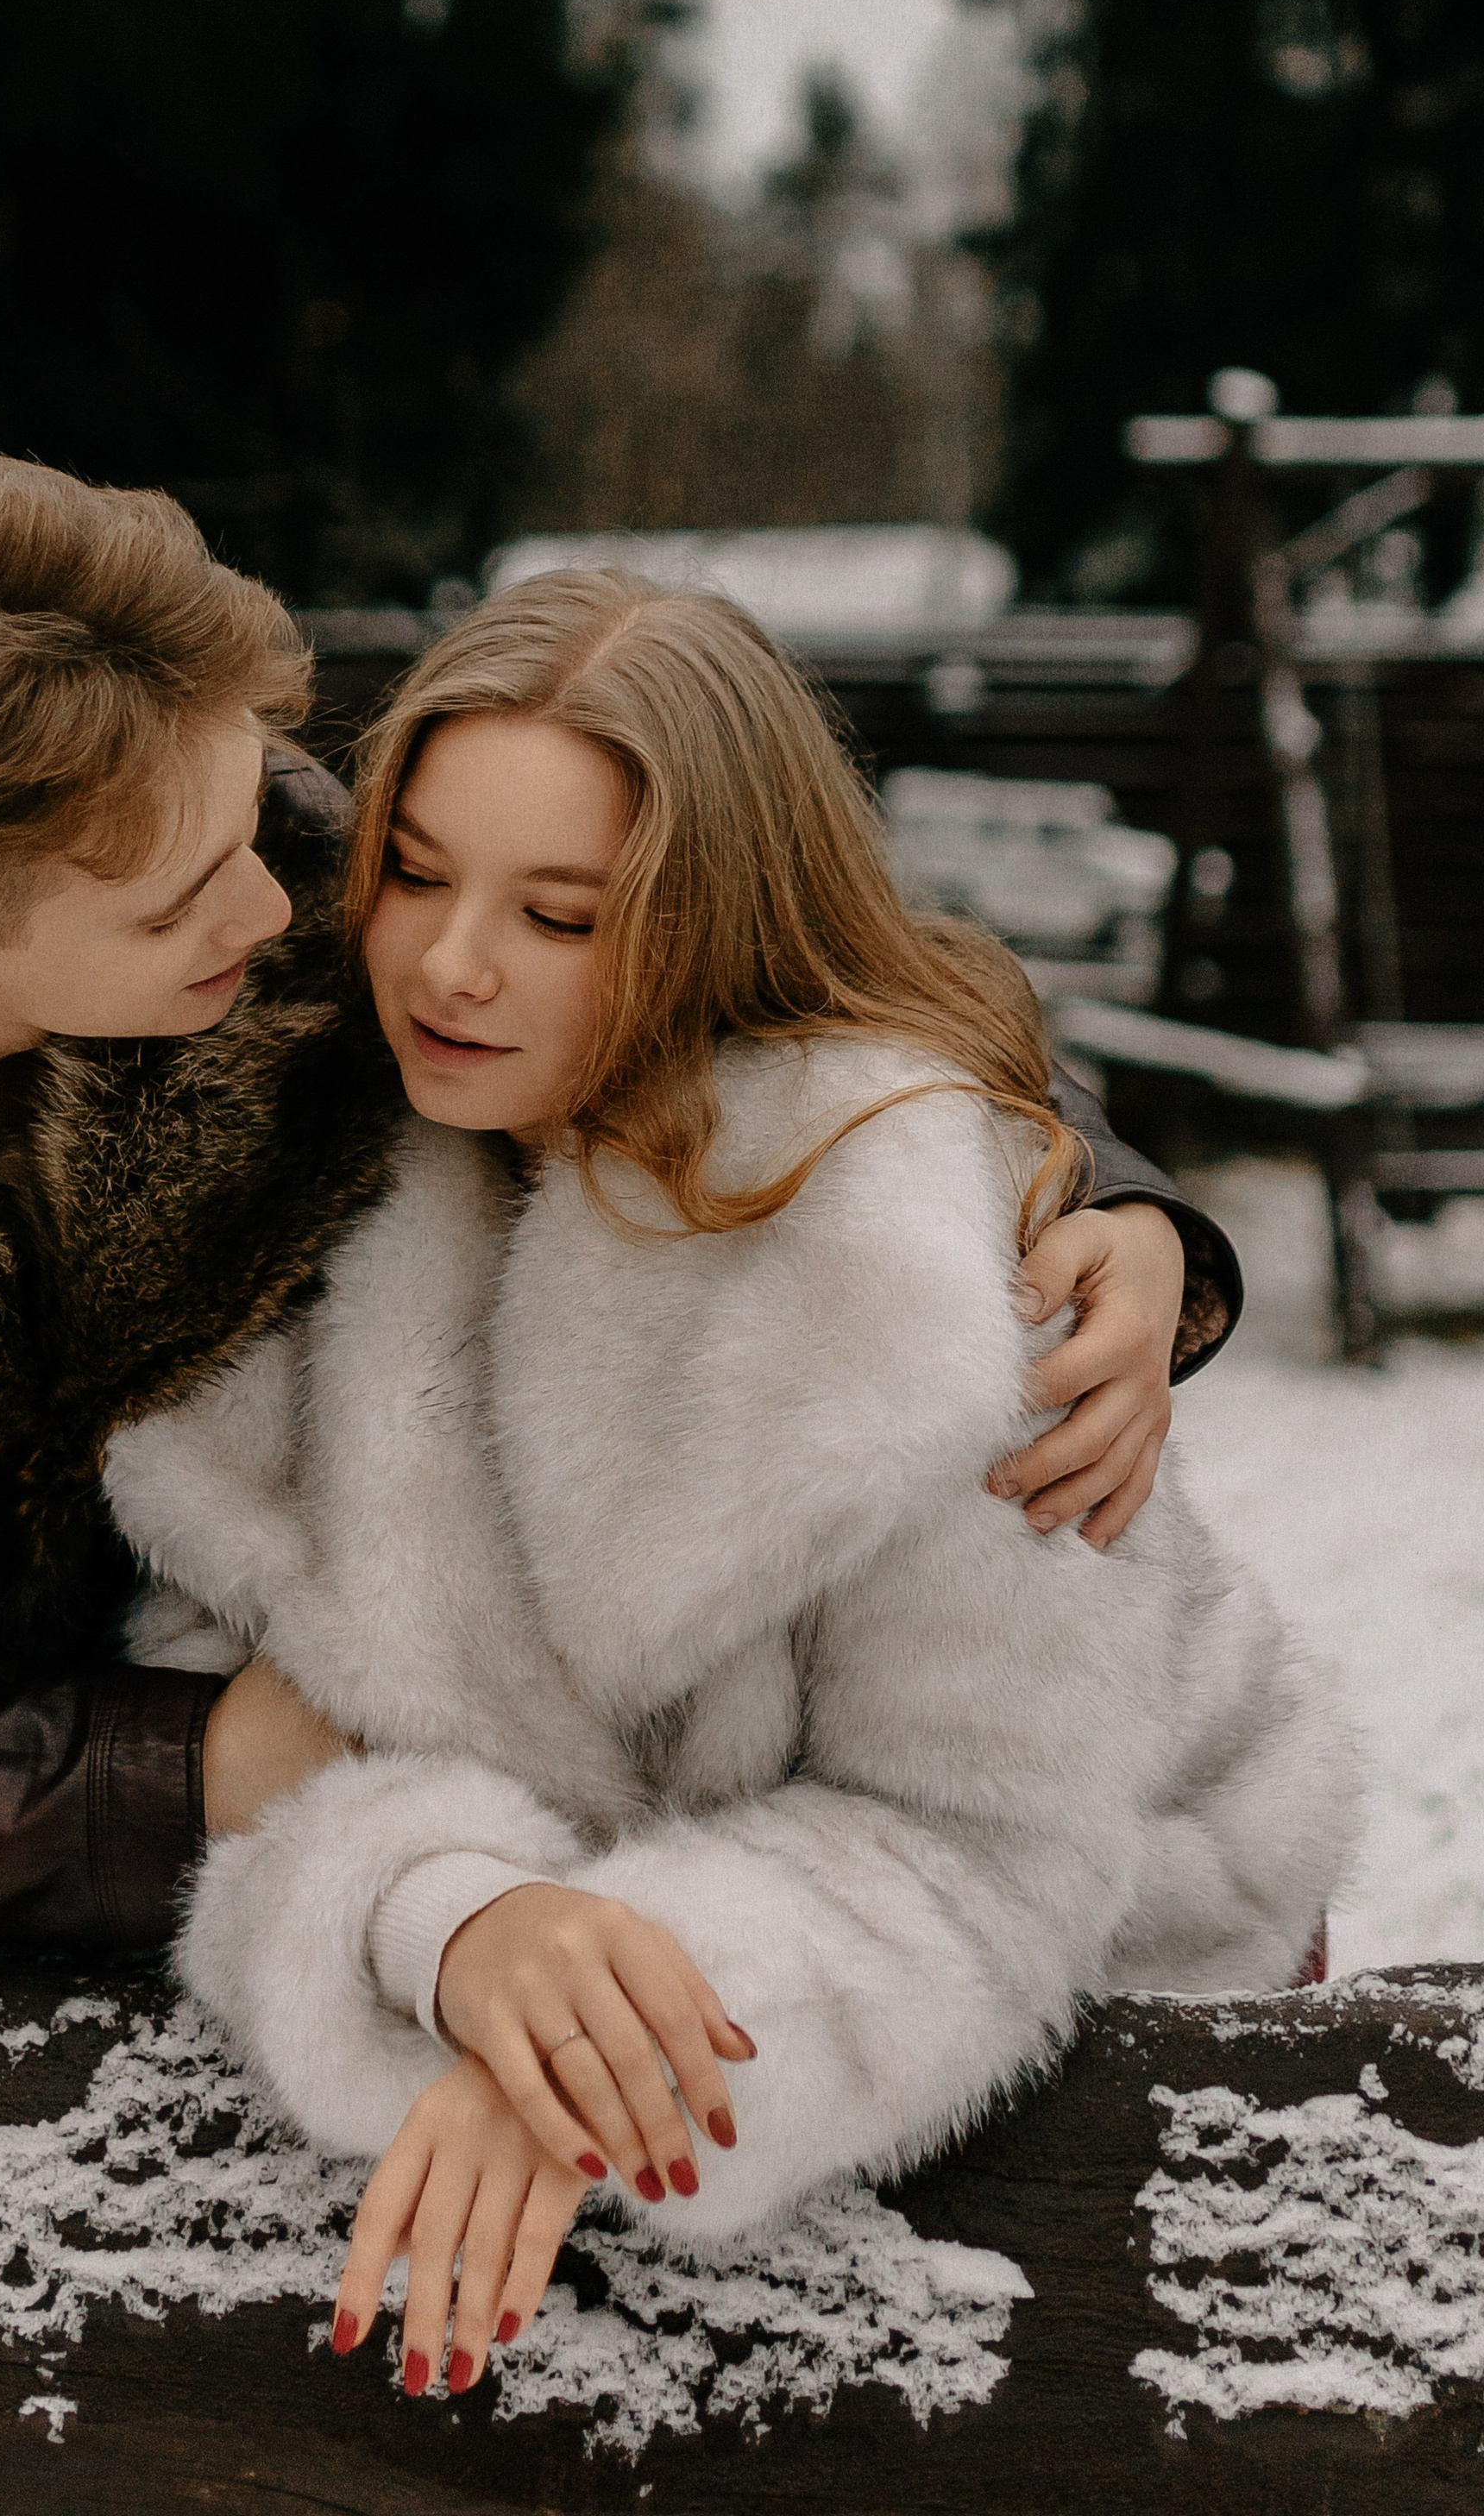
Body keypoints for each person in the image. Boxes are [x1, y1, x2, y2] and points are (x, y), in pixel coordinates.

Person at [0, 436, 1236, 1948]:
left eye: (267, 816)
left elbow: (753, 969)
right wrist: (179, 1767)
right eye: (192, 895)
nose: (301, 919)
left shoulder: (232, 855)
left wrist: (1115, 1201)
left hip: (402, 1913)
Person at [104, 569, 1355, 2399]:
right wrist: (455, 1931)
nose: (448, 965)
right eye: (419, 872)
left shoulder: (923, 1277)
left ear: (705, 928)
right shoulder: (301, 1197)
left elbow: (977, 1853)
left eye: (557, 914)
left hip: (1123, 2035)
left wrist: (619, 2048)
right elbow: (264, 1733)